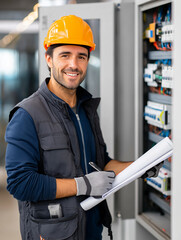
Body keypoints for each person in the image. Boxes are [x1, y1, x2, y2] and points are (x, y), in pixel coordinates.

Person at [5, 15, 162, 240]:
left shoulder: (86, 109)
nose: (74, 65)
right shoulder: (27, 115)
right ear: (49, 59)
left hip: (91, 230)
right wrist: (82, 185)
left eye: (81, 56)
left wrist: (138, 167)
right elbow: (20, 183)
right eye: (65, 55)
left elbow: (102, 163)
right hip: (52, 234)